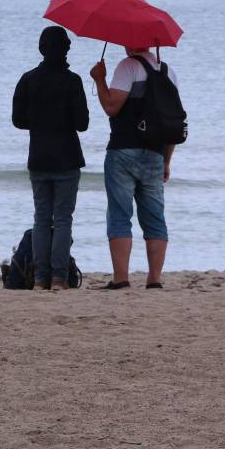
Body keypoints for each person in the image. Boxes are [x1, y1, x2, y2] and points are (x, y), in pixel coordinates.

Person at [89, 46, 178, 290]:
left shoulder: (127, 66)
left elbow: (111, 106)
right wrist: (166, 160)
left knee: (119, 214)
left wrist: (99, 80)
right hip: (155, 153)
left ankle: (121, 278)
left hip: (123, 150)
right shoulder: (169, 72)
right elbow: (172, 122)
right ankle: (154, 279)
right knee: (155, 217)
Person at [12, 26, 89, 290]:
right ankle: (58, 278)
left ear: (42, 49)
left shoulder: (28, 79)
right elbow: (83, 123)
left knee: (42, 218)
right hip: (67, 157)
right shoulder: (73, 81)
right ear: (65, 49)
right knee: (64, 218)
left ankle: (40, 278)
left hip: (39, 157)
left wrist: (40, 120)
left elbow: (18, 120)